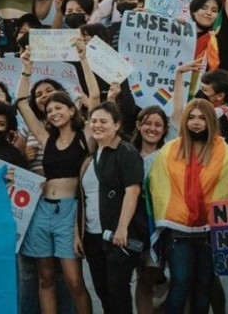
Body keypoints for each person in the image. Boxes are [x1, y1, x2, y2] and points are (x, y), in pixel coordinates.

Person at [16, 51, 93, 314]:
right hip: (41, 210)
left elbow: (94, 101)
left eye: (59, 106)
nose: (53, 112)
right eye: (49, 110)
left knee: (74, 280)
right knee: (46, 276)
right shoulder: (45, 138)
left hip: (70, 212)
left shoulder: (85, 137)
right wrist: (26, 69)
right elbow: (21, 103)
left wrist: (83, 59)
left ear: (71, 110)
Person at [148, 98, 228, 314]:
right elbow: (157, 186)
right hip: (177, 232)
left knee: (204, 287)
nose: (196, 122)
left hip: (210, 233)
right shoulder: (169, 150)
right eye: (191, 117)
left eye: (201, 118)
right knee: (180, 283)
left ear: (210, 120)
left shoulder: (224, 151)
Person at [77, 102, 145, 314]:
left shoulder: (126, 152)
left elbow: (132, 191)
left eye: (103, 121)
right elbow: (83, 198)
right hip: (92, 236)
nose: (97, 125)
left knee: (118, 293)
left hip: (117, 236)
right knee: (103, 292)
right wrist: (77, 233)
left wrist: (122, 227)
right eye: (94, 121)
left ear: (116, 125)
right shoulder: (90, 156)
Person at [131, 106, 171, 314]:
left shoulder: (170, 155)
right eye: (147, 123)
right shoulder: (128, 154)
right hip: (138, 224)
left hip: (167, 223)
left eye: (158, 125)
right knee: (145, 275)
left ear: (165, 130)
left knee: (165, 275)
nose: (152, 128)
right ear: (138, 125)